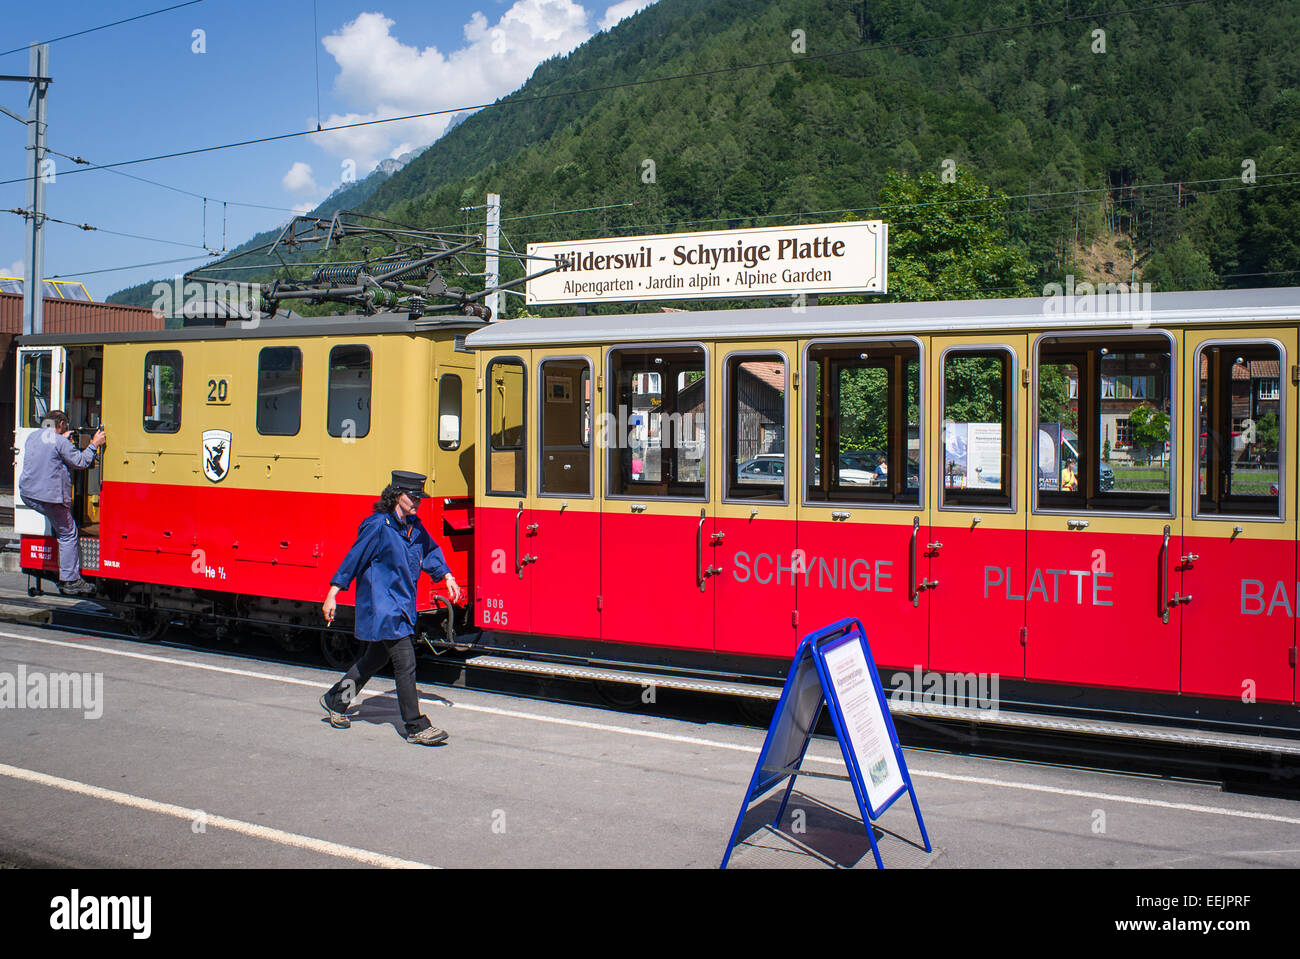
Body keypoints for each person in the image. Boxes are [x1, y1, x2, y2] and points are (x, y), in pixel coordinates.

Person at [319, 470, 462, 745]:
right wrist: (333, 593)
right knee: (405, 662)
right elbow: (354, 559)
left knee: (375, 659)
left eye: (420, 497)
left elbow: (430, 552)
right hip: (383, 606)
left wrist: (447, 576)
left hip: (402, 605)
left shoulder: (414, 527)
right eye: (413, 497)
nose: (417, 502)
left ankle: (335, 700)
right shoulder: (378, 525)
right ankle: (416, 726)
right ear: (396, 495)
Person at [19, 411, 105, 596]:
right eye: (65, 426)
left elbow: (49, 445)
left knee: (59, 526)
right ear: (61, 424)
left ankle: (66, 572)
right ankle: (70, 580)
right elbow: (80, 462)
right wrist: (94, 444)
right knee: (68, 534)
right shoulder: (60, 442)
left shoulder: (33, 437)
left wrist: (63, 439)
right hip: (49, 498)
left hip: (29, 495)